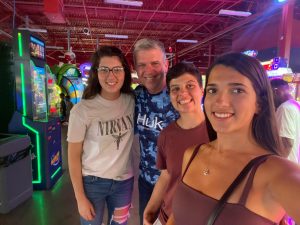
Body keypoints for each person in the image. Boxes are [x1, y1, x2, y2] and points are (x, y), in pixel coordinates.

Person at [166, 53, 300, 225]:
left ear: (259, 103)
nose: (220, 101)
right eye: (213, 90)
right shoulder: (192, 154)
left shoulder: (278, 174)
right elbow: (177, 217)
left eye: (237, 90)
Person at [67, 46, 135, 225]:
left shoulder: (132, 101)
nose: (111, 76)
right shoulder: (82, 110)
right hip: (92, 183)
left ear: (125, 72)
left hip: (124, 184)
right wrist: (80, 198)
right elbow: (73, 156)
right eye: (104, 69)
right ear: (96, 73)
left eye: (117, 69)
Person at [143, 62, 210, 225]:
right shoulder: (167, 135)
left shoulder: (218, 131)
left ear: (202, 90)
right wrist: (149, 211)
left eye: (190, 86)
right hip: (167, 218)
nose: (183, 93)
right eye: (176, 89)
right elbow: (166, 176)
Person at [133, 38, 178, 225]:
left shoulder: (179, 96)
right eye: (142, 65)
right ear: (135, 68)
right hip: (146, 181)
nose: (149, 70)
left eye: (155, 63)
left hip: (176, 185)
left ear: (166, 65)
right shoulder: (137, 96)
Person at [270, 78, 300, 163]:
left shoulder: (284, 109)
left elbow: (286, 144)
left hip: (288, 168)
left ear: (275, 92)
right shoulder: (296, 105)